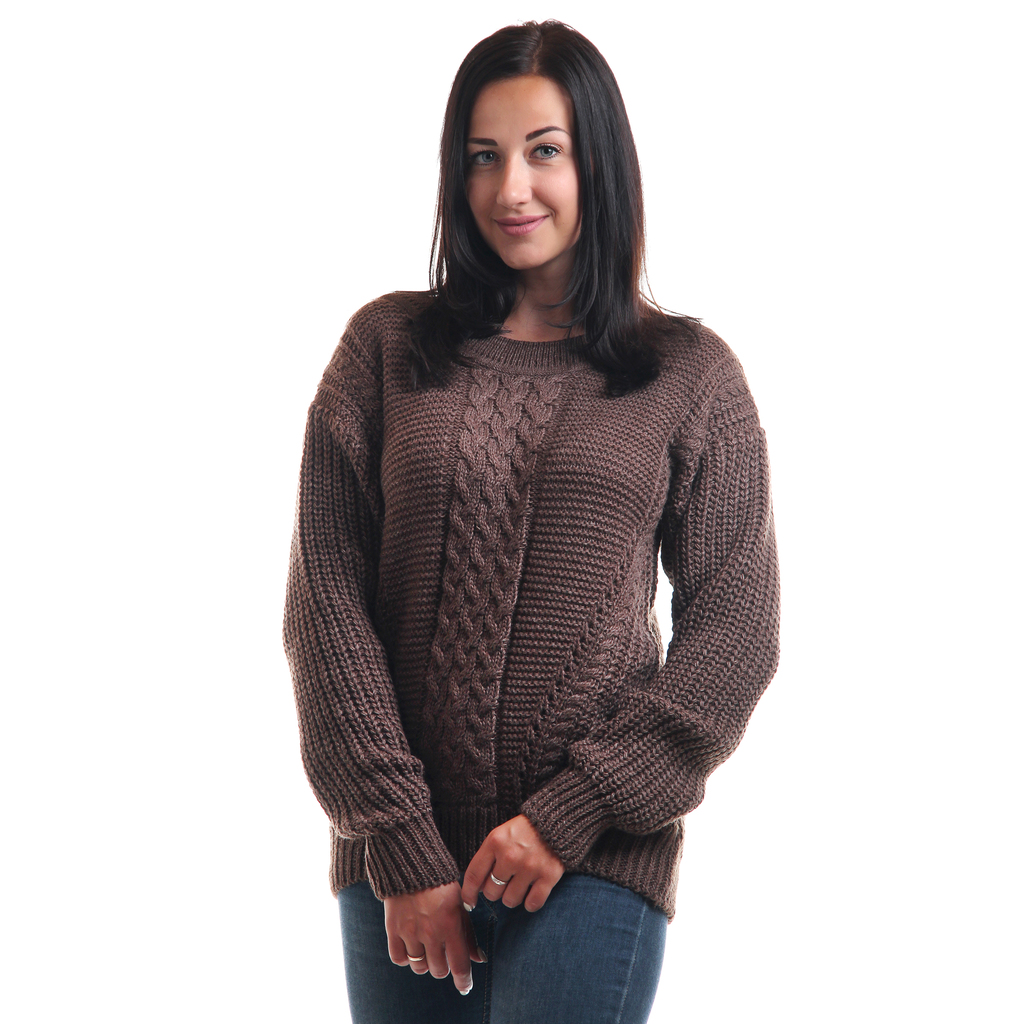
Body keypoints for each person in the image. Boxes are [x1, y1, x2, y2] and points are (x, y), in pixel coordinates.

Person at [282, 19, 781, 1024]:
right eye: (483, 156)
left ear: (599, 163)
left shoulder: (688, 375)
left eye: (544, 151)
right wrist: (400, 837)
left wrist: (572, 812)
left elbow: (735, 631)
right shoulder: (384, 349)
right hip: (400, 862)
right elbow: (325, 603)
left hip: (592, 861)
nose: (511, 187)